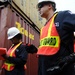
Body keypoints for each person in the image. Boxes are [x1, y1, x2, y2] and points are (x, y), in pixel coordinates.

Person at [36, 0, 75, 75]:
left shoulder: (62, 17)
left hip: (62, 71)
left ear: (50, 6)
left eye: (40, 6)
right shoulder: (43, 28)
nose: (38, 10)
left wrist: (72, 57)